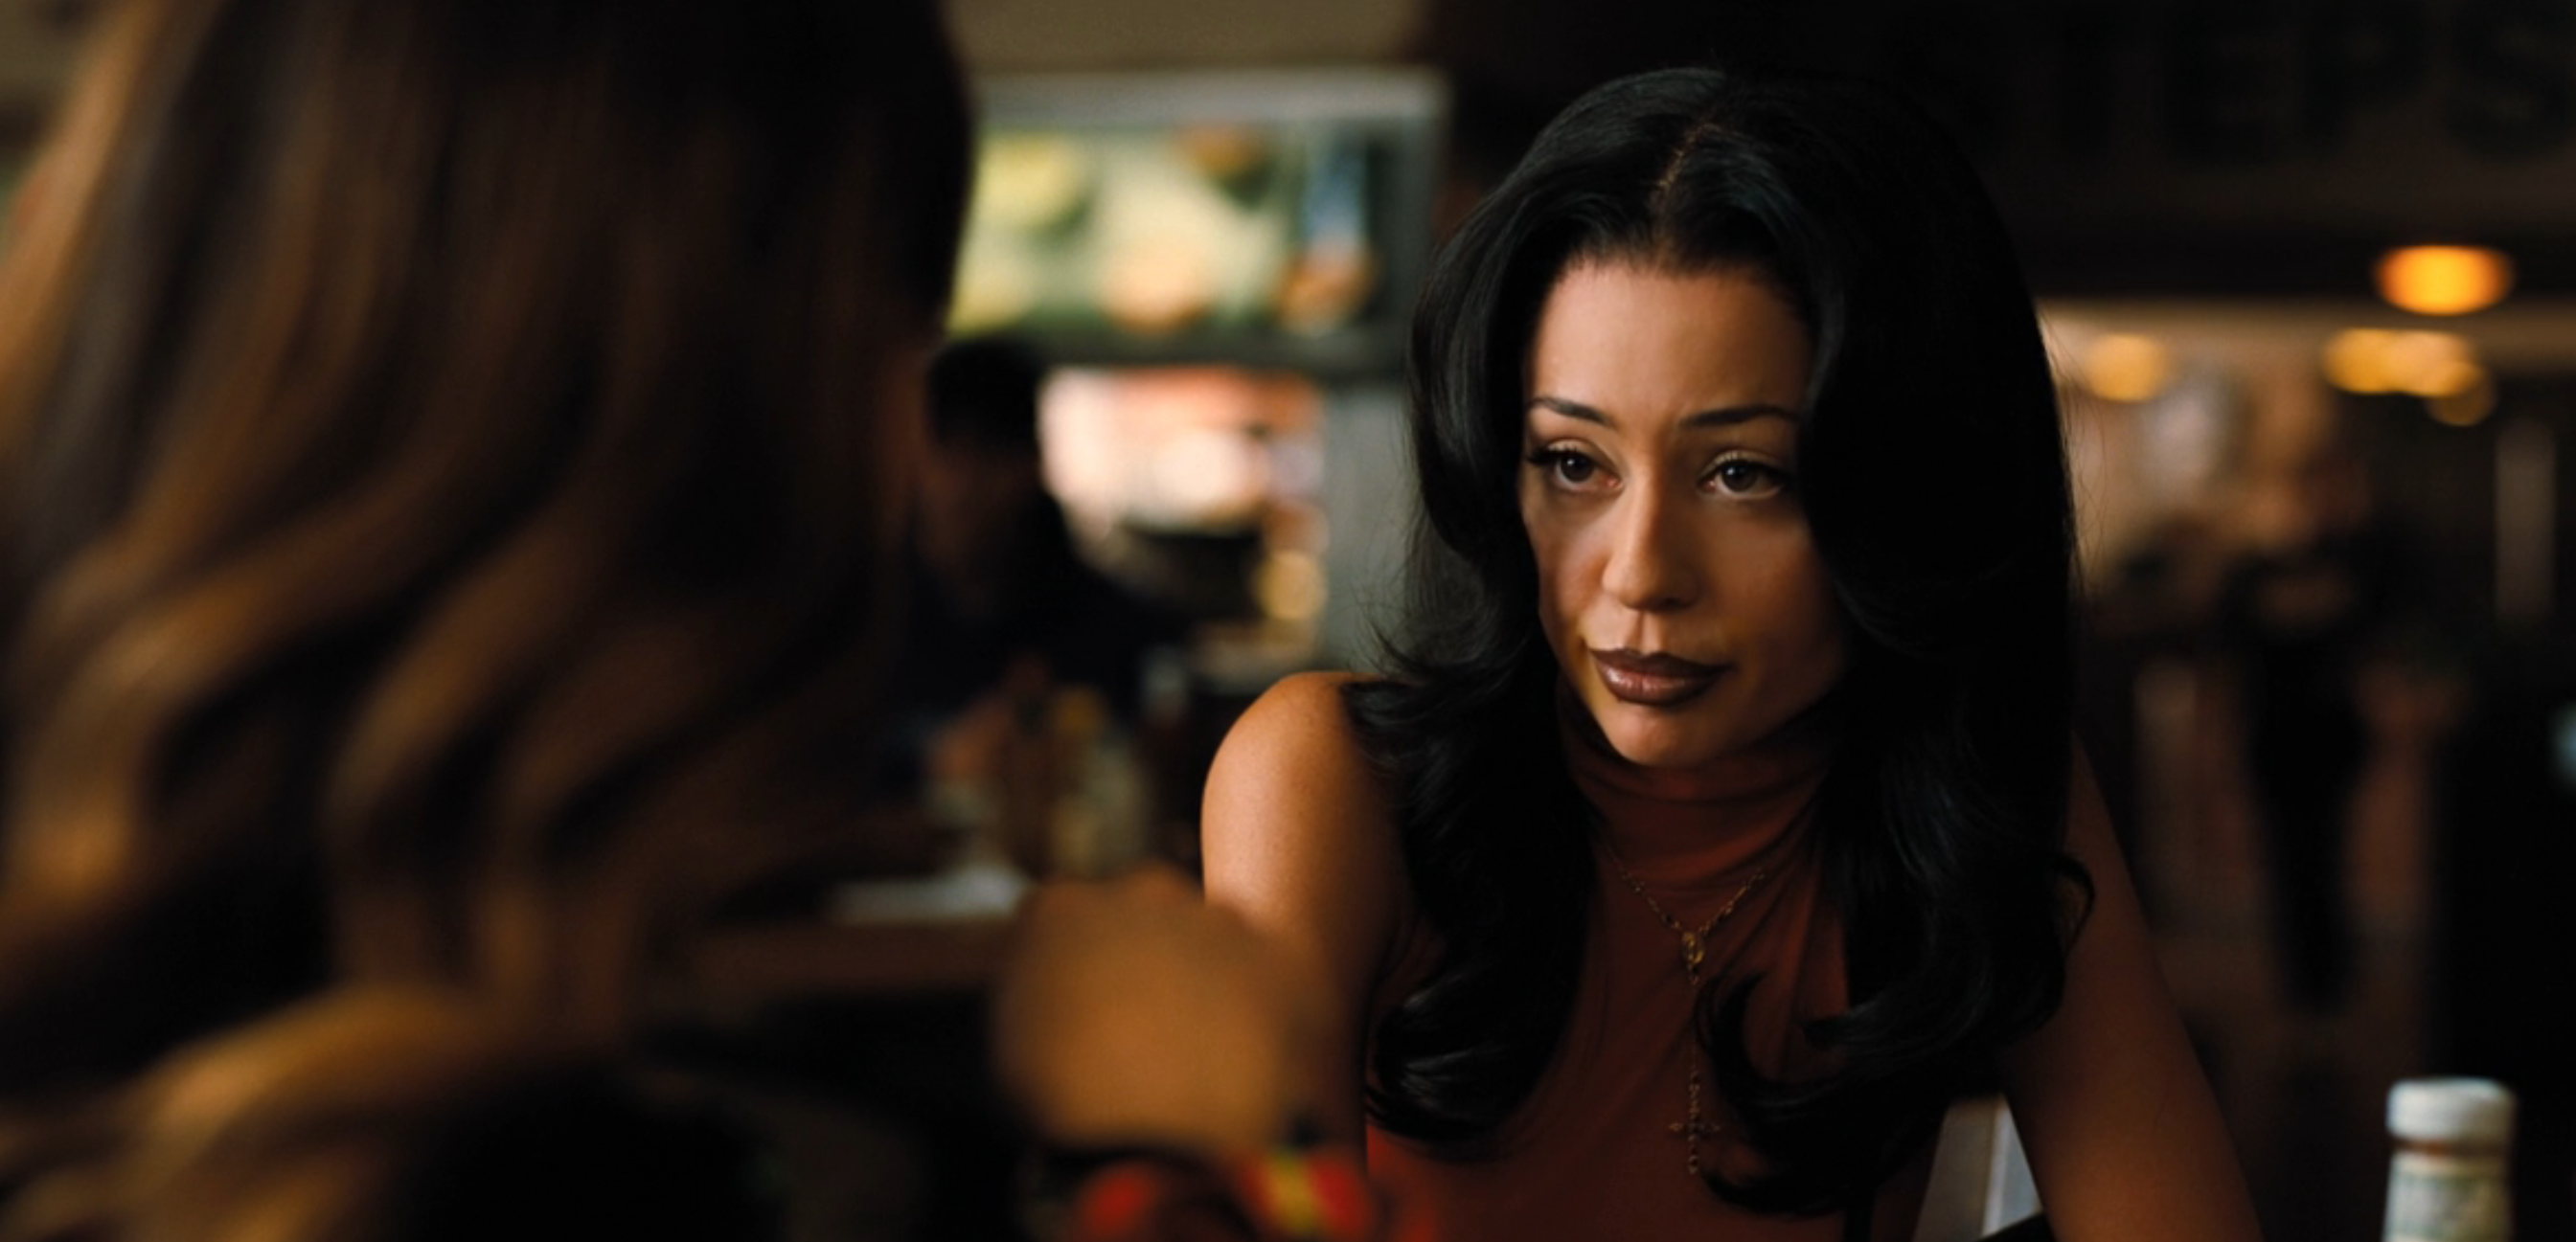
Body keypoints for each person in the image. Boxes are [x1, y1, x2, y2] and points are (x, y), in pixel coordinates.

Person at [1200, 66, 2265, 1242]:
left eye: (1741, 474)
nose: (1640, 572)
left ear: (1910, 496)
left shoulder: (1978, 803)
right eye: (1573, 463)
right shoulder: (1334, 783)